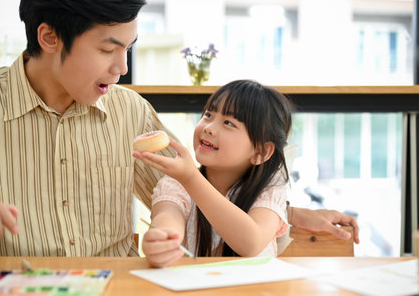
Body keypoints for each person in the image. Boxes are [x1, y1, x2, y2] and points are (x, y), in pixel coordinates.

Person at [0, 0, 359, 265]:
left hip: (118, 286)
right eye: (108, 49)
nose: (122, 67)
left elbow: (194, 190)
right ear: (49, 37)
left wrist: (291, 214)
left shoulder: (130, 111)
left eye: (129, 49)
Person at [133, 80, 359, 268]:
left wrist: (191, 177)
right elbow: (167, 219)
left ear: (261, 151)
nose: (209, 127)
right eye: (208, 114)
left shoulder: (271, 190)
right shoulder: (176, 183)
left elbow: (251, 242)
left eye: (228, 122)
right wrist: (161, 239)